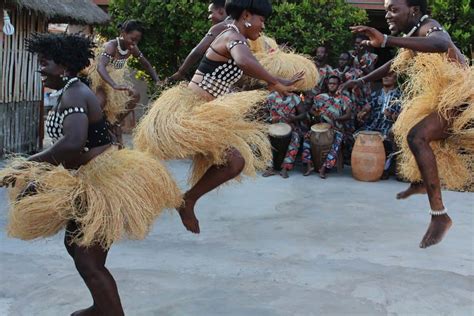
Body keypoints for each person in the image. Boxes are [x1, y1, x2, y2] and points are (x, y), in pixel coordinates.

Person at [0, 33, 181, 316]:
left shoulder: (74, 93)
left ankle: (110, 312)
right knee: (76, 247)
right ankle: (101, 307)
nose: (40, 70)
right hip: (88, 179)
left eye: (44, 63)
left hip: (103, 182)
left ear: (63, 66)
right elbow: (70, 150)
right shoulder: (73, 90)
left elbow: (72, 143)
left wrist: (26, 165)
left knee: (88, 261)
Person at [134, 0, 304, 234]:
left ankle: (186, 200)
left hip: (207, 113)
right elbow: (245, 62)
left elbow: (242, 72)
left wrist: (273, 84)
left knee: (233, 162)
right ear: (246, 15)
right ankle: (180, 201)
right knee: (233, 161)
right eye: (261, 20)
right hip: (190, 111)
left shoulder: (238, 39)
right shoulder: (231, 36)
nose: (262, 26)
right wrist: (275, 80)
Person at [341, 0, 473, 248]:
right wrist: (361, 81)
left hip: (462, 98)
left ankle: (440, 217)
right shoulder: (414, 36)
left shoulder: (428, 27)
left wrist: (387, 41)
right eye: (386, 10)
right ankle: (423, 183)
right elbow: (394, 64)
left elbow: (441, 44)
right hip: (448, 101)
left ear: (413, 10)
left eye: (393, 9)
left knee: (417, 136)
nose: (388, 15)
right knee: (409, 133)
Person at [89, 20, 161, 143]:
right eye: (132, 39)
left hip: (116, 84)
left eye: (137, 41)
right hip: (101, 81)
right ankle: (90, 131)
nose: (134, 43)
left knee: (135, 95)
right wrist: (114, 85)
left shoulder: (132, 48)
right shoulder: (111, 46)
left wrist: (157, 80)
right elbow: (100, 67)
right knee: (100, 102)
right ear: (123, 33)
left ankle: (114, 124)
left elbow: (147, 65)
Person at [168, 0, 232, 82]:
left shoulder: (220, 27)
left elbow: (197, 51)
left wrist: (180, 73)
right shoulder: (239, 24)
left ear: (220, 11)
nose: (209, 17)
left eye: (210, 12)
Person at [309, 75, 352, 178]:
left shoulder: (344, 99)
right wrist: (316, 114)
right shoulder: (320, 97)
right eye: (330, 83)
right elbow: (312, 110)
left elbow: (348, 115)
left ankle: (324, 167)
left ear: (339, 85)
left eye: (334, 83)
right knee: (307, 137)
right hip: (320, 128)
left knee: (337, 140)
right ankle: (308, 165)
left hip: (337, 129)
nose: (331, 85)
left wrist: (336, 119)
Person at [262, 91, 309, 178]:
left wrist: (295, 118)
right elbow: (263, 114)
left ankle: (285, 168)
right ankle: (269, 167)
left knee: (296, 138)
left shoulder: (295, 97)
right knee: (264, 137)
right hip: (273, 127)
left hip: (290, 127)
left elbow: (304, 114)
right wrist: (271, 119)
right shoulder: (271, 97)